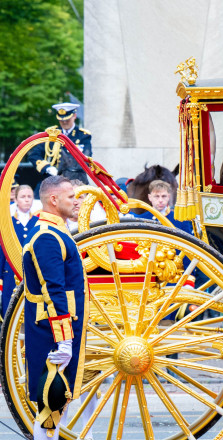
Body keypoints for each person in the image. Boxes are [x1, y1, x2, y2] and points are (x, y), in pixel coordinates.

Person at [22, 176, 84, 440]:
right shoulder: (47, 237)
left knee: (57, 406)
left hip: (58, 332)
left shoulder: (56, 233)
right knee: (51, 408)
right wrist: (65, 341)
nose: (77, 201)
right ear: (54, 200)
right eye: (71, 196)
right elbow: (54, 292)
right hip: (52, 334)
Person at [1, 185, 40, 316]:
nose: (27, 200)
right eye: (23, 197)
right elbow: (2, 251)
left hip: (34, 271)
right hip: (10, 273)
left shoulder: (38, 222)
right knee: (10, 312)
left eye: (29, 197)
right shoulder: (8, 223)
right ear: (16, 200)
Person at [29, 103, 92, 182]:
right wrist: (47, 168)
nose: (64, 122)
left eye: (67, 119)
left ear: (74, 116)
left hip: (76, 180)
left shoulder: (83, 135)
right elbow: (34, 155)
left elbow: (86, 159)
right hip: (54, 180)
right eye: (61, 120)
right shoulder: (52, 134)